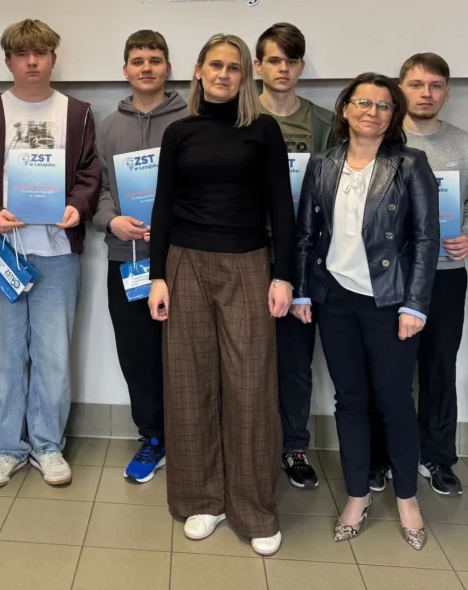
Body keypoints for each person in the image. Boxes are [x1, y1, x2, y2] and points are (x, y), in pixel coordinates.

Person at [147, 33, 293, 557]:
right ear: (199, 71)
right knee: (190, 381)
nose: (224, 75)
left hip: (248, 264)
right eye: (215, 65)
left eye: (233, 67)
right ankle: (202, 499)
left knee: (251, 384)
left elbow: (282, 206)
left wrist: (283, 275)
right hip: (185, 263)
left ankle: (253, 508)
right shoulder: (179, 132)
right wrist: (157, 276)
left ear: (245, 75)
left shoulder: (263, 129)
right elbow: (162, 205)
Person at [292, 72, 438, 550]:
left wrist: (415, 303)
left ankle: (407, 499)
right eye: (363, 103)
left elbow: (425, 240)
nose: (372, 112)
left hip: (389, 302)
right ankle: (357, 495)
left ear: (393, 116)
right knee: (350, 400)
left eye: (383, 105)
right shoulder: (323, 163)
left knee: (395, 401)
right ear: (345, 109)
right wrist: (302, 292)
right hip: (335, 299)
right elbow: (306, 234)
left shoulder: (410, 164)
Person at [0, 19, 101, 489]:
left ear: (53, 58)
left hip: (58, 254)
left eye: (40, 53)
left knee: (53, 356)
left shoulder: (77, 113)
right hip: (2, 254)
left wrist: (78, 206)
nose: (32, 62)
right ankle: (8, 448)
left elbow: (90, 173)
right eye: (22, 54)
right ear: (8, 61)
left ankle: (47, 445)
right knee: (2, 357)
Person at [92, 30, 188, 483]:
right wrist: (111, 221)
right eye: (137, 60)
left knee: (187, 351)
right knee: (138, 353)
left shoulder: (191, 119)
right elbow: (98, 188)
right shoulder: (109, 126)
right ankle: (152, 437)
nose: (146, 67)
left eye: (154, 59)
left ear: (168, 67)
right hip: (127, 257)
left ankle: (191, 437)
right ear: (125, 70)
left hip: (185, 256)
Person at [395, 52, 468, 496]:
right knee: (390, 369)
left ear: (447, 93)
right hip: (392, 274)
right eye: (416, 84)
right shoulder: (382, 139)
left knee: (439, 367)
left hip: (446, 272)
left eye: (434, 86)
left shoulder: (466, 146)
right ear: (401, 89)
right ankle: (386, 455)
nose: (425, 93)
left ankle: (437, 456)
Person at [253, 22, 334, 490]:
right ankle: (247, 442)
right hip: (245, 254)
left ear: (301, 66)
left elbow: (336, 188)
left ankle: (294, 446)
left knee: (294, 359)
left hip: (301, 259)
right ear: (258, 66)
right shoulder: (240, 117)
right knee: (244, 356)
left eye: (291, 60)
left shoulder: (325, 123)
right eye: (274, 60)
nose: (283, 69)